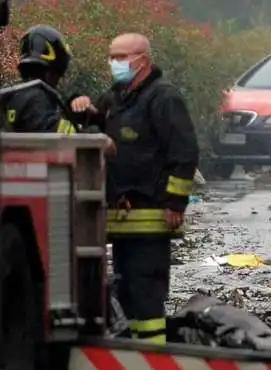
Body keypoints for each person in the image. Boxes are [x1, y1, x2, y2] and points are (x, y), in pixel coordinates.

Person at [71, 33, 199, 346]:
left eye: (121, 57)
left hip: (152, 214)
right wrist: (80, 106)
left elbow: (184, 152)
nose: (114, 64)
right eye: (112, 57)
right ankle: (132, 351)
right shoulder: (115, 98)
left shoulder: (163, 97)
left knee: (146, 289)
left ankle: (153, 357)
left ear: (142, 60)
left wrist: (175, 203)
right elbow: (94, 131)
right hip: (120, 217)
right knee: (125, 288)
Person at [3, 25, 78, 134]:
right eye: (58, 75)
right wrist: (90, 130)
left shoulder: (11, 94)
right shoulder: (37, 97)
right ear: (53, 71)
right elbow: (52, 131)